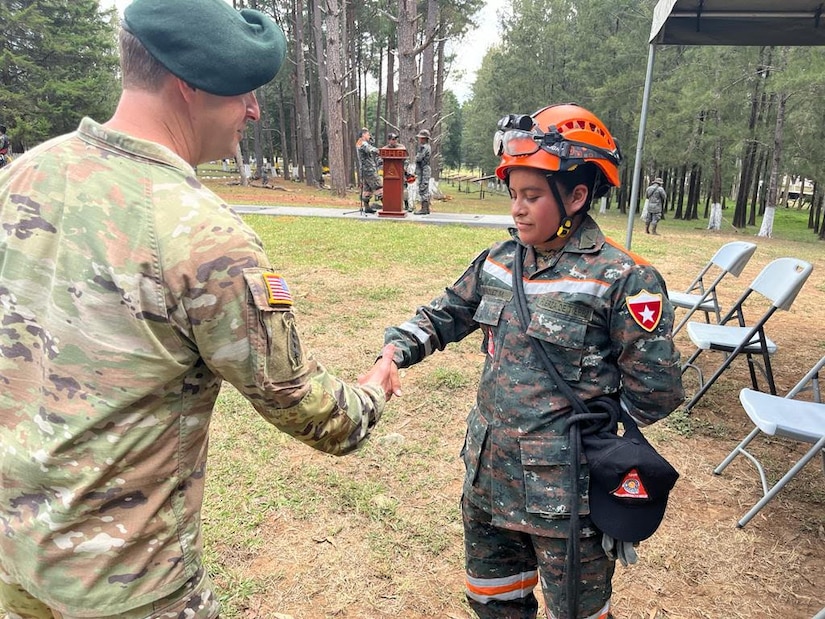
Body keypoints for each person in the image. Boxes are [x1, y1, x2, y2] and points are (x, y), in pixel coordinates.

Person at [0, 1, 399, 618]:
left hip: (18, 558)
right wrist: (372, 391)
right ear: (188, 85)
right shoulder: (204, 235)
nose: (254, 110)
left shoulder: (24, 176)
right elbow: (306, 407)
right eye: (244, 91)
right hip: (129, 584)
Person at [377, 103, 683, 619]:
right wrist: (392, 353)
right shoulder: (499, 261)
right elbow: (444, 315)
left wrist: (596, 420)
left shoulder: (624, 279)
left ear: (577, 195)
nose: (517, 209)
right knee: (494, 603)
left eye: (533, 196)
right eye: (514, 194)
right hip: (488, 481)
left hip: (566, 498)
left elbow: (656, 392)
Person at [356, 127, 383, 214]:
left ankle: (367, 207)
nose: (369, 136)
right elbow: (370, 149)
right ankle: (387, 206)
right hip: (369, 170)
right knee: (378, 186)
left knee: (367, 189)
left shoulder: (359, 142)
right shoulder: (363, 143)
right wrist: (380, 151)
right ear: (363, 135)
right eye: (368, 134)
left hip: (364, 170)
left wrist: (371, 141)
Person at [414, 128, 432, 214]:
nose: (419, 139)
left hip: (424, 169)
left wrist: (415, 158)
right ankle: (425, 208)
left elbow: (419, 158)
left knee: (423, 187)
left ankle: (424, 209)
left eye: (421, 138)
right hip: (423, 169)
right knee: (424, 188)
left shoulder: (424, 148)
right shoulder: (426, 147)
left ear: (424, 138)